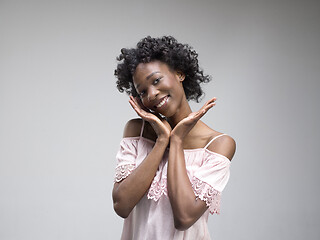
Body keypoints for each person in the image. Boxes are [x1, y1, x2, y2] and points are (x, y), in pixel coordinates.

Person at [112, 36, 236, 240]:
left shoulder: (218, 145)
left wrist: (176, 141)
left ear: (179, 73)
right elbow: (121, 205)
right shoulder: (137, 132)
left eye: (156, 80)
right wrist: (162, 140)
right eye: (142, 91)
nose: (151, 94)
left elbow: (184, 217)